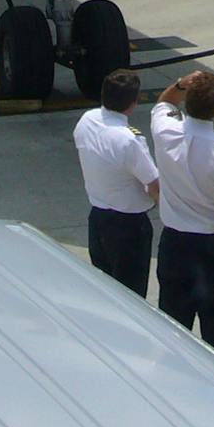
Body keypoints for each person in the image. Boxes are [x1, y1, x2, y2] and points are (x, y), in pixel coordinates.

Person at [150, 69, 214, 360]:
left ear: (188, 102)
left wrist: (181, 82)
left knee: (173, 336)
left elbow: (164, 102)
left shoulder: (164, 131)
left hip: (175, 245)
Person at [72, 68, 159, 296]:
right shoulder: (130, 139)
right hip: (129, 229)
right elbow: (153, 184)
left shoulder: (86, 120)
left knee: (106, 295)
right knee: (132, 297)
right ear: (133, 102)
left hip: (98, 220)